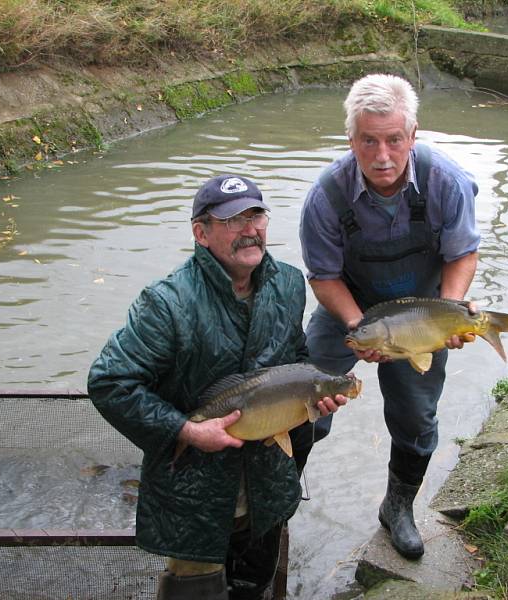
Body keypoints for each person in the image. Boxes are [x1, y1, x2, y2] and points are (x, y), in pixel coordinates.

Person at [88, 174, 346, 600]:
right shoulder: (166, 303)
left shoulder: (287, 282)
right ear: (201, 233)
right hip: (195, 489)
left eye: (256, 215)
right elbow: (109, 383)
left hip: (268, 482)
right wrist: (186, 431)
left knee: (255, 583)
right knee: (196, 589)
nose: (250, 229)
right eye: (232, 220)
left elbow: (296, 357)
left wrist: (313, 397)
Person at [295, 73, 480, 560]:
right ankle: (279, 495)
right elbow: (323, 275)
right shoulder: (326, 196)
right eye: (368, 141)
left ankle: (397, 507)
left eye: (394, 140)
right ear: (350, 139)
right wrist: (360, 327)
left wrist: (452, 310)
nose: (382, 156)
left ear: (413, 135)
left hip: (423, 307)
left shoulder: (448, 181)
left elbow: (462, 254)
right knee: (302, 399)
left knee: (416, 416)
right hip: (347, 307)